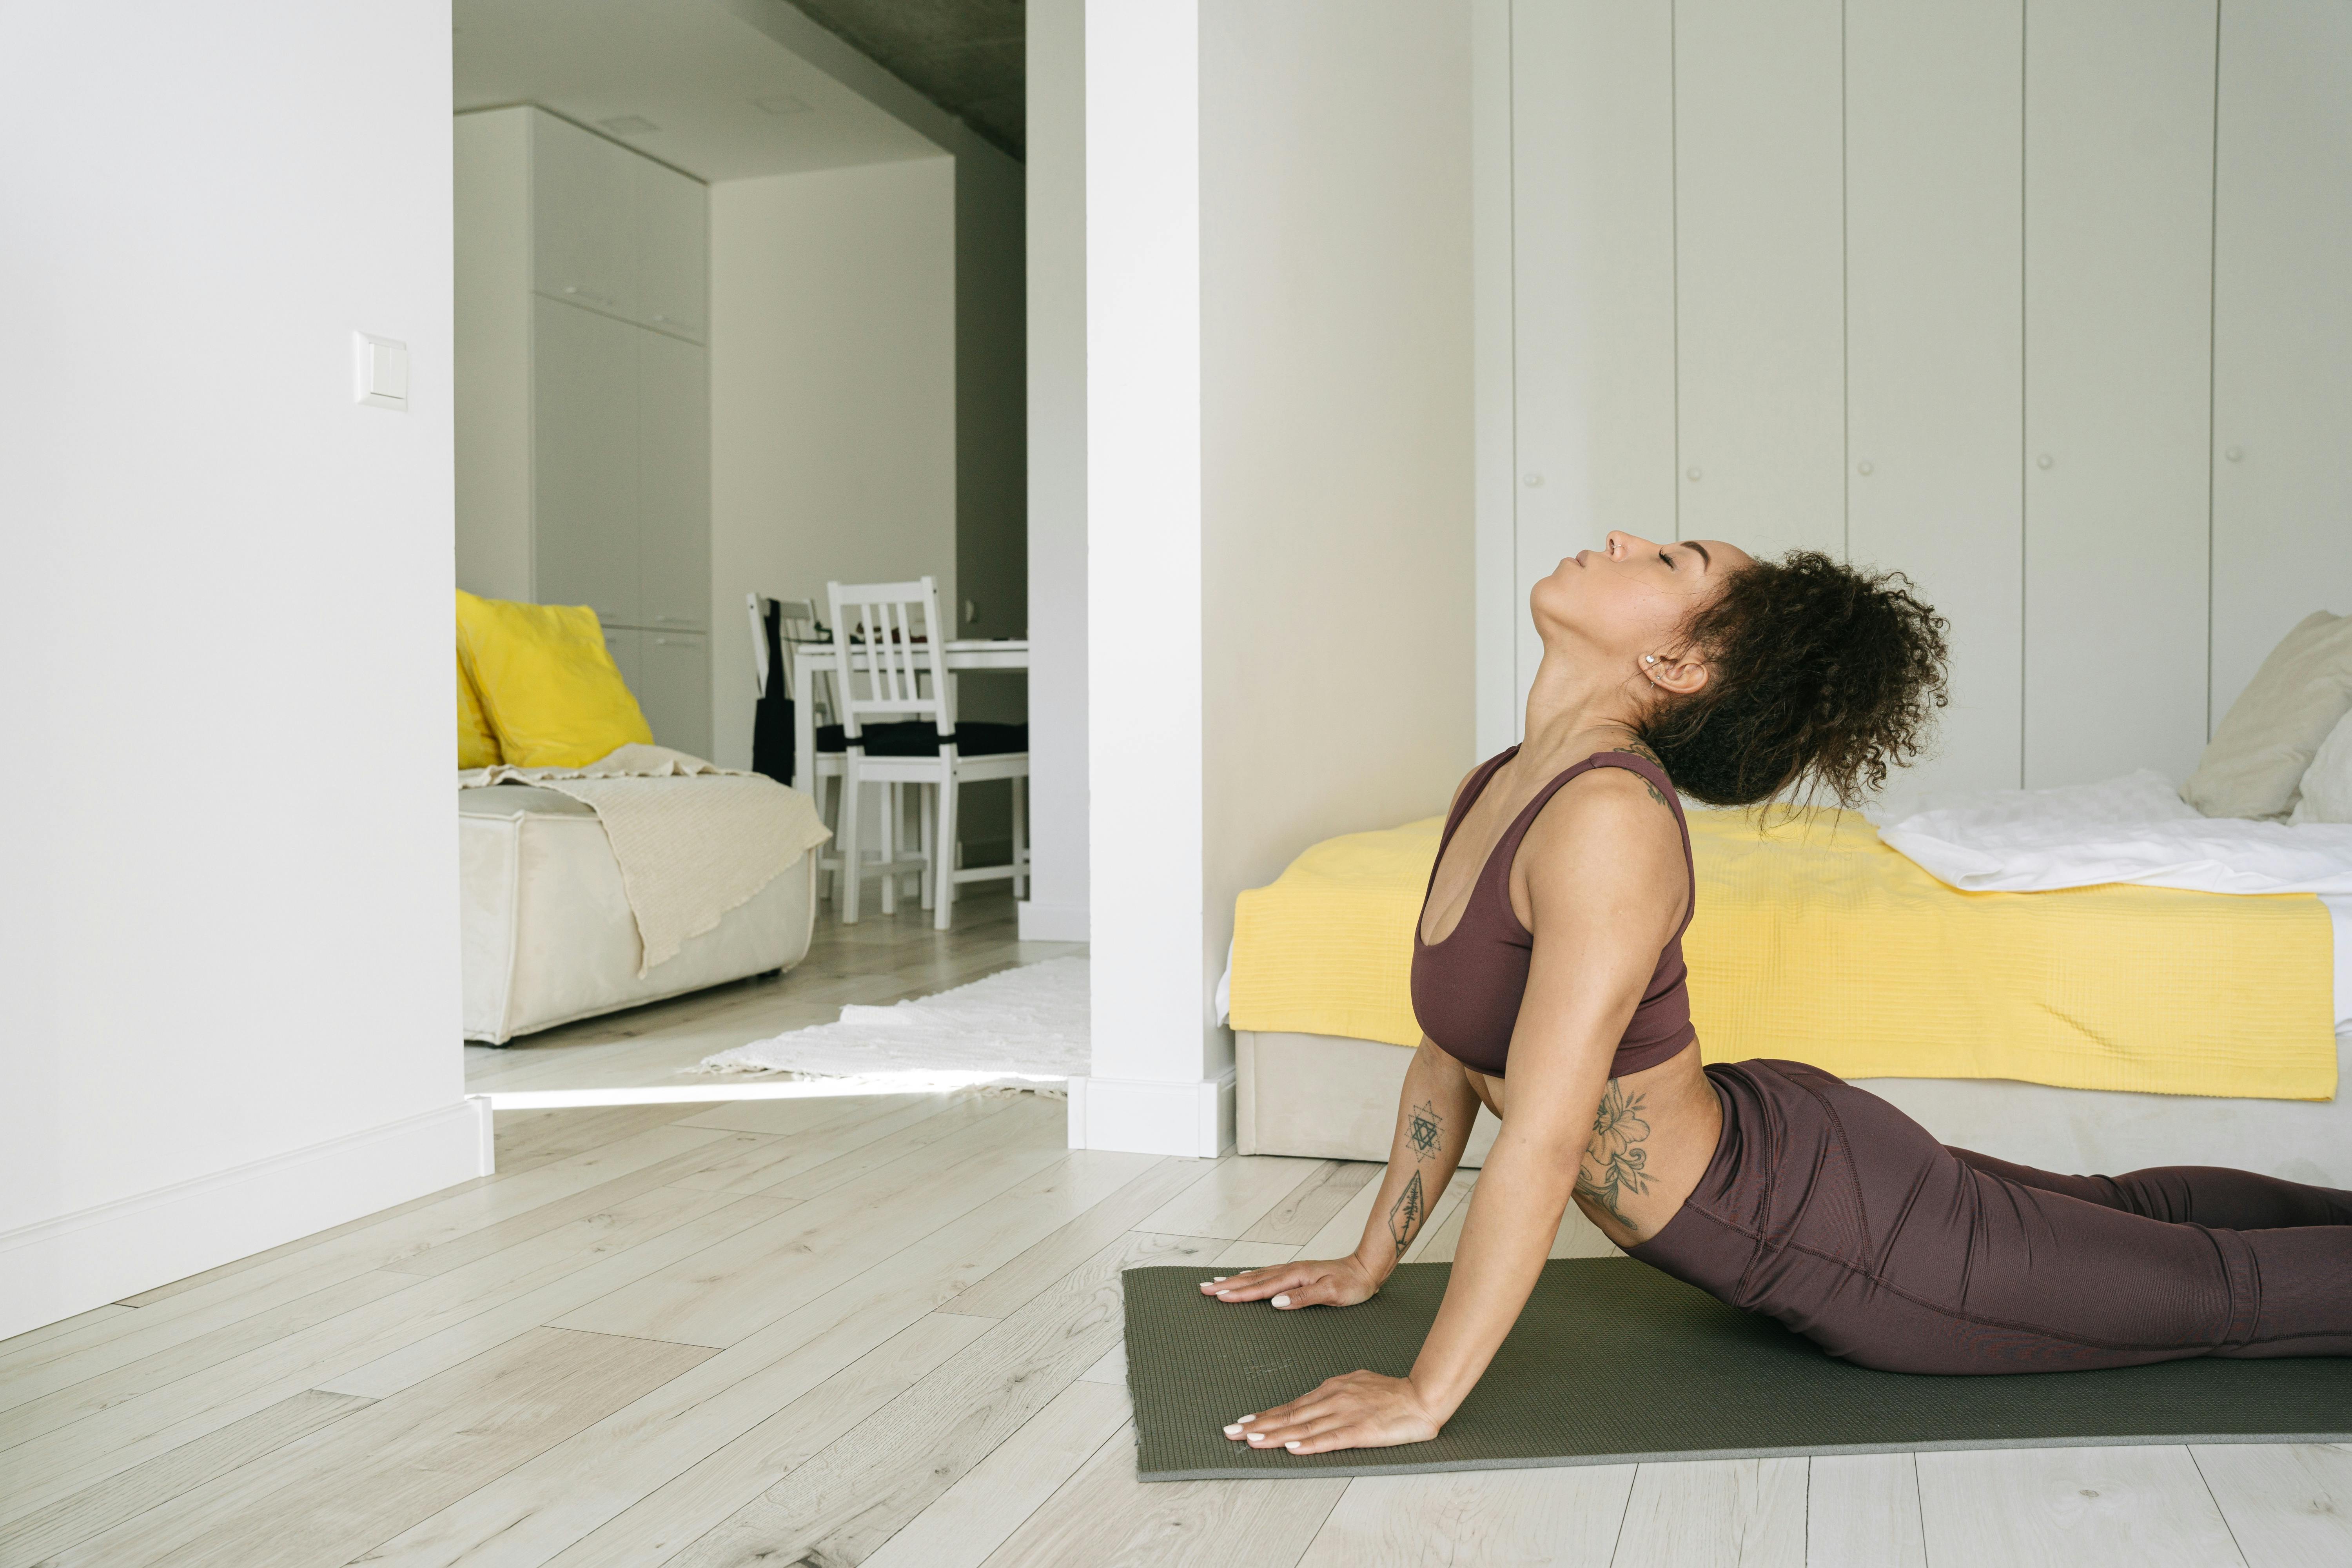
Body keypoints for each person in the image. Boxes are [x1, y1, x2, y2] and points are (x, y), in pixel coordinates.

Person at [1206, 531, 2352, 1457]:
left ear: (1679, 665)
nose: (1623, 538)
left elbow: (1546, 1143)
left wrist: (1427, 1394)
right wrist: (1371, 1261)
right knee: (2129, 1215)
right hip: (1792, 1148)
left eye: (1667, 563)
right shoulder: (1504, 783)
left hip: (1844, 1241)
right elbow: (1453, 1051)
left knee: (2222, 1294)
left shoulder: (1609, 826)